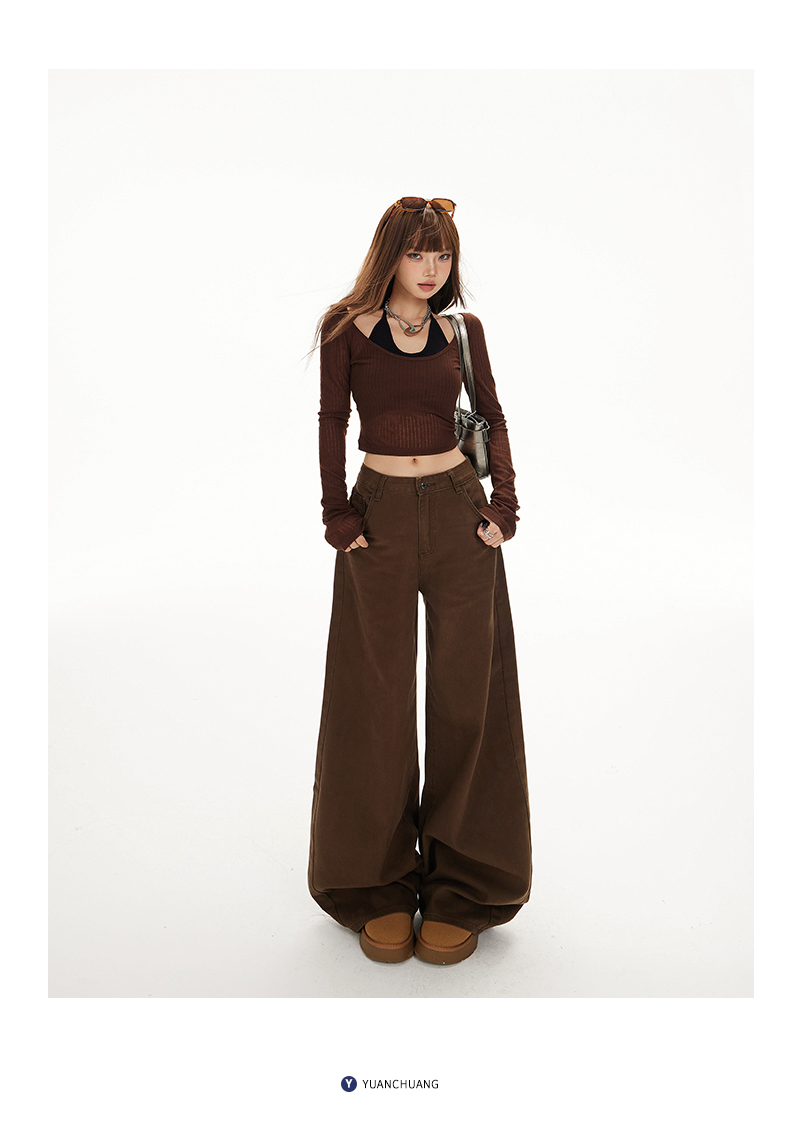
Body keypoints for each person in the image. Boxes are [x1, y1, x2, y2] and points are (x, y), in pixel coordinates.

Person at [307, 197, 532, 965]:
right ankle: (372, 882)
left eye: (443, 254)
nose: (432, 268)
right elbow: (331, 420)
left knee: (469, 693)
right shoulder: (345, 328)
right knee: (373, 696)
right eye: (417, 253)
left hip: (461, 512)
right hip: (378, 518)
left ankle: (466, 885)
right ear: (389, 256)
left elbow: (494, 415)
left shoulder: (463, 332)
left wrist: (504, 507)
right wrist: (337, 513)